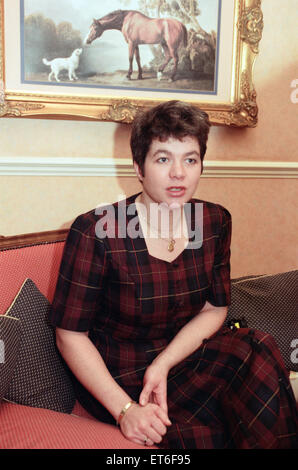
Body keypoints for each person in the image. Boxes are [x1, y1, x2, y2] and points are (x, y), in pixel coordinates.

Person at [49, 100, 298, 449]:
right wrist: (125, 410)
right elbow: (69, 335)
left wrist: (164, 364)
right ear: (139, 167)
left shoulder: (214, 221)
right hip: (120, 380)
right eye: (163, 158)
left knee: (257, 347)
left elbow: (215, 309)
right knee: (218, 428)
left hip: (183, 360)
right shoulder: (97, 230)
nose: (178, 173)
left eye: (190, 159)